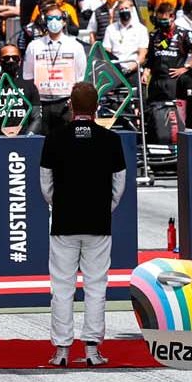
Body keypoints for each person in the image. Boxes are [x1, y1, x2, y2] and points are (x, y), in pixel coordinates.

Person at [40, 82, 125, 367]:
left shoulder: (54, 138)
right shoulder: (111, 140)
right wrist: (103, 207)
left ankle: (61, 351)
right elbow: (119, 186)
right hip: (98, 222)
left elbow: (45, 185)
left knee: (62, 287)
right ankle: (92, 350)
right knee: (96, 286)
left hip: (64, 221)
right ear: (97, 107)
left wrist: (60, 205)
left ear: (71, 107)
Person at [24, 8, 87, 126]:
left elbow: (80, 77)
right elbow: (28, 76)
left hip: (66, 101)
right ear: (45, 21)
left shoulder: (75, 46)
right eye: (50, 18)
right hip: (41, 102)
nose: (54, 21)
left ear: (64, 22)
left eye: (57, 18)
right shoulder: (34, 46)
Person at [0, 44, 41, 136]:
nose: (11, 60)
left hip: (24, 139)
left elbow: (37, 118)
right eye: (6, 58)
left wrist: (27, 138)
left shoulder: (30, 87)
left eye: (14, 58)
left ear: (19, 61)